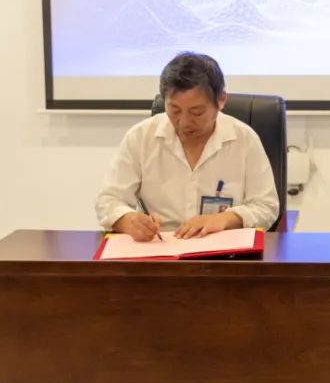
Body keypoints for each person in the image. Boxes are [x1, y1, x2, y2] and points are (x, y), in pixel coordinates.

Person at [96, 52, 279, 241]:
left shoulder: (244, 139)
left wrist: (225, 219)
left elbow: (267, 206)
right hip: (161, 248)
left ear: (221, 100)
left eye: (196, 112)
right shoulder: (140, 137)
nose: (184, 122)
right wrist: (128, 220)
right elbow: (108, 201)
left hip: (224, 249)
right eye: (174, 110)